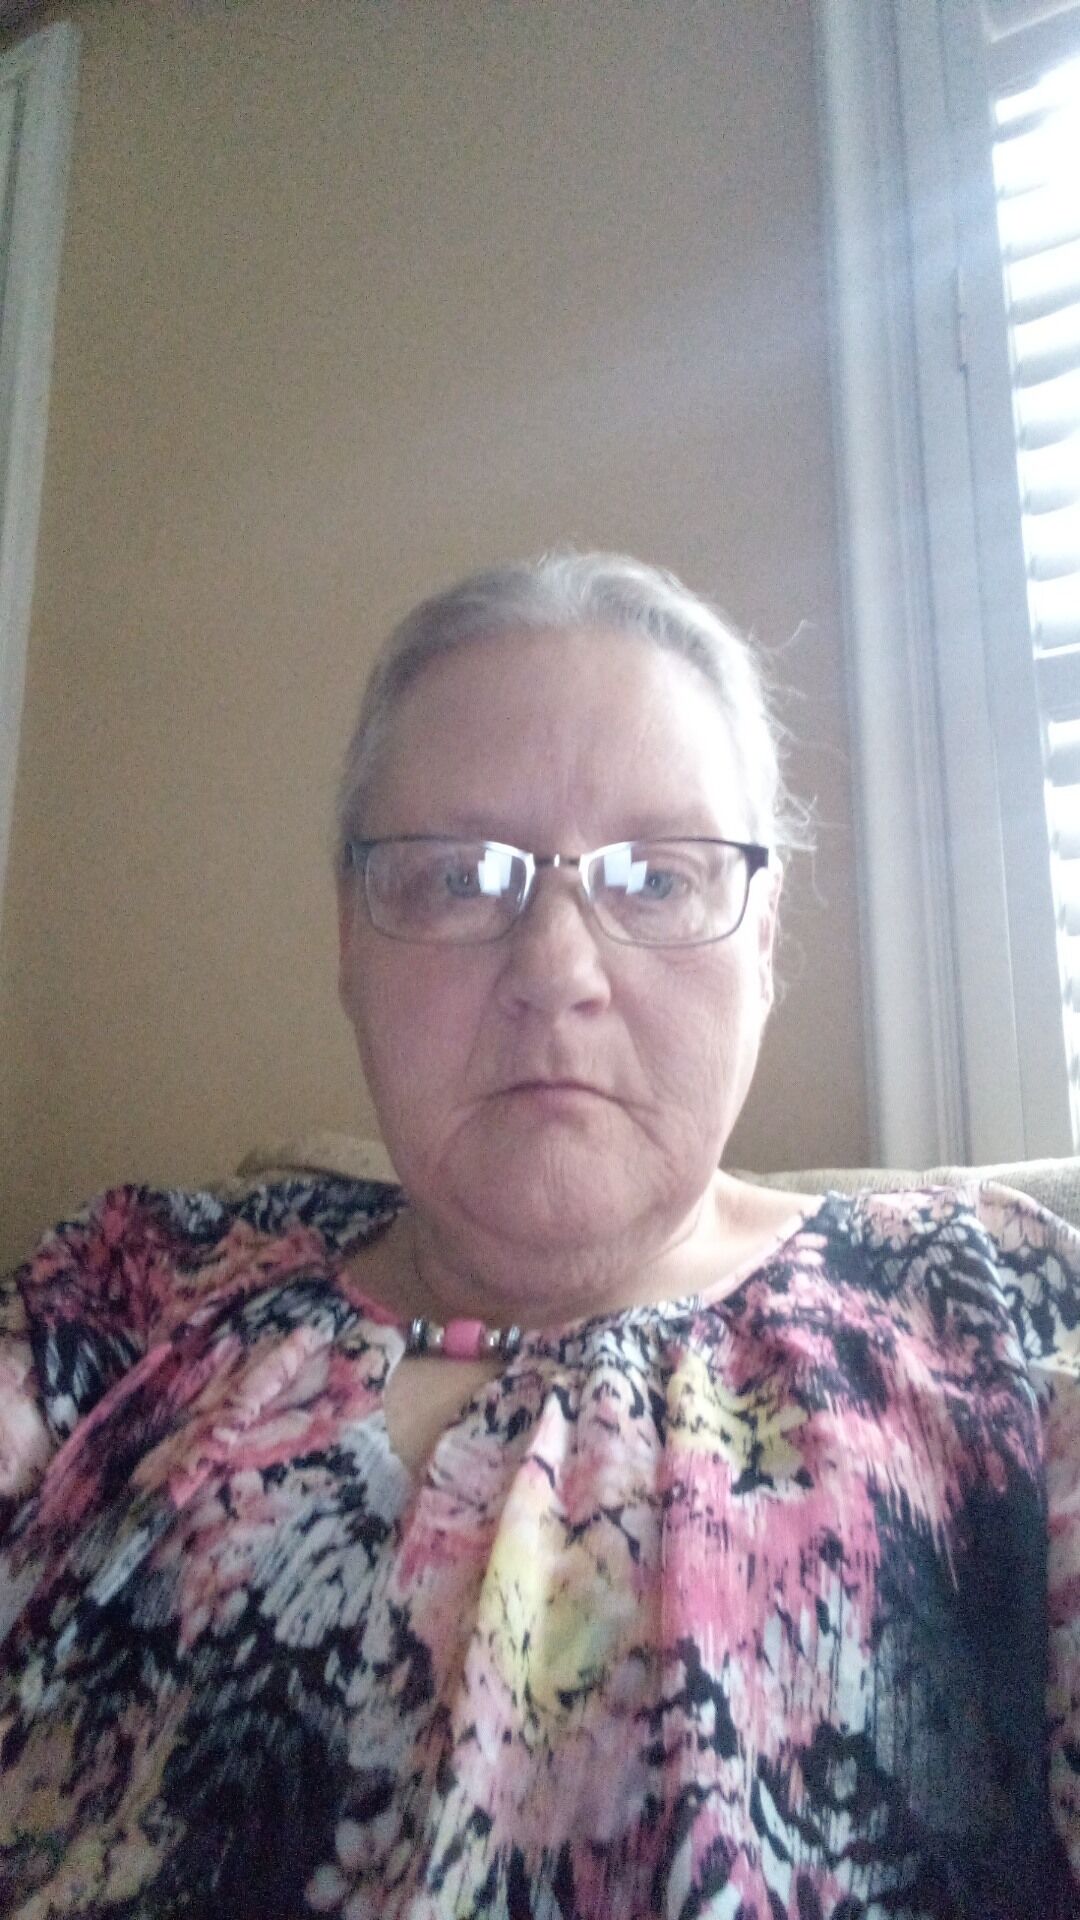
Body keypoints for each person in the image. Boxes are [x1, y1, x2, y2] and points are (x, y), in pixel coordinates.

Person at [1, 552, 1078, 1920]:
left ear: (762, 943)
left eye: (657, 879)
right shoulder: (139, 1284)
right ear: (351, 939)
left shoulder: (975, 1307)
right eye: (461, 877)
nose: (557, 972)